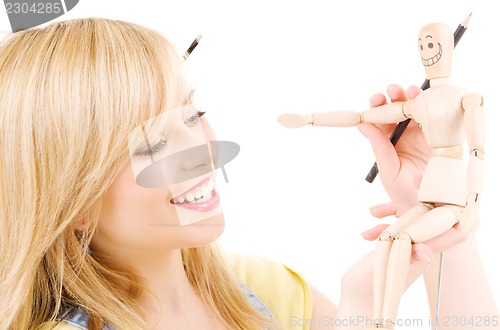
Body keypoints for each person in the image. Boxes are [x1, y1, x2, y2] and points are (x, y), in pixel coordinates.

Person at [0, 18, 496, 330]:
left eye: (192, 115)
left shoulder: (267, 290)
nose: (203, 150)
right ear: (76, 203)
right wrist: (360, 312)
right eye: (152, 143)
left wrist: (434, 198)